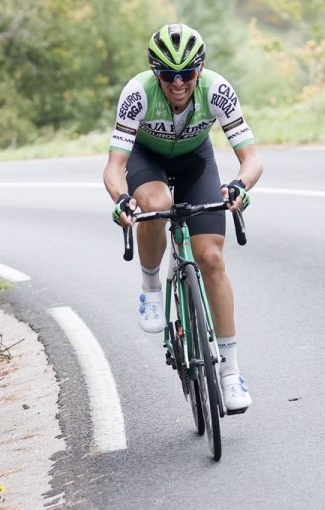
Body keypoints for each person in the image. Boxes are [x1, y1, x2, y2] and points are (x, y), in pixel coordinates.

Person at [102, 24, 263, 413]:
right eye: (168, 75)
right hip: (148, 157)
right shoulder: (137, 93)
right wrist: (122, 199)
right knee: (154, 204)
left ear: (200, 70)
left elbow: (252, 159)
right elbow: (114, 166)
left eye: (187, 74)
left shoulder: (217, 90)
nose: (178, 83)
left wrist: (240, 186)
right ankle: (152, 284)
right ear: (155, 73)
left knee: (211, 259)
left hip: (195, 160)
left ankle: (230, 374)